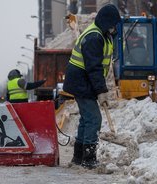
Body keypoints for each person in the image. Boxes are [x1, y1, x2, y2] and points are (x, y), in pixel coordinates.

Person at [63, 4, 120, 169]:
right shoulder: (95, 37)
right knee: (94, 118)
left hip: (82, 80)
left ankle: (78, 157)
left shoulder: (100, 34)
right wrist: (101, 91)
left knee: (86, 119)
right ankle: (88, 158)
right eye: (113, 24)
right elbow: (94, 68)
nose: (114, 28)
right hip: (82, 81)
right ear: (106, 22)